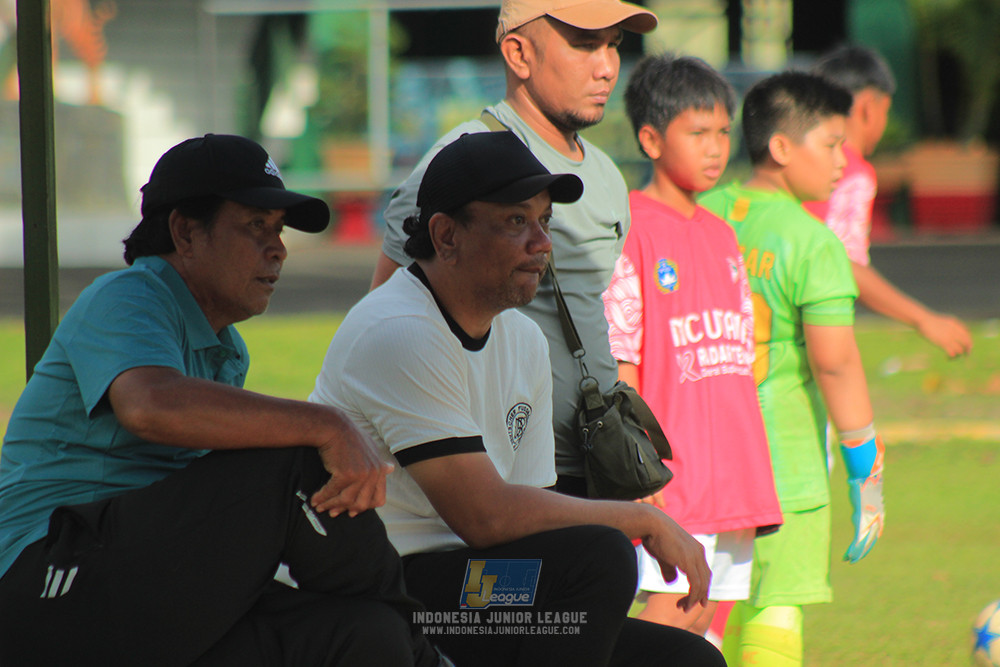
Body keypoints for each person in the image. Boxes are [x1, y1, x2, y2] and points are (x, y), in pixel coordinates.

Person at [0, 134, 446, 666]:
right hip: (45, 580)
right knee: (293, 465)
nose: (278, 247)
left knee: (363, 635)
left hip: (140, 583)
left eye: (278, 229)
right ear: (186, 232)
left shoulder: (225, 351)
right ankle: (430, 657)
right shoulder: (129, 295)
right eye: (256, 225)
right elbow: (149, 405)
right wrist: (328, 425)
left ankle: (409, 644)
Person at [311, 131, 725, 667]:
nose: (542, 242)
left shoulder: (523, 339)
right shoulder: (398, 329)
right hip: (397, 589)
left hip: (473, 583)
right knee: (597, 558)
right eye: (515, 222)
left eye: (544, 220)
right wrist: (644, 520)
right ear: (446, 235)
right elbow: (485, 516)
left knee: (688, 661)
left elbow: (525, 520)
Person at [370, 0, 658, 495]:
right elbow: (385, 323)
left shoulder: (609, 176)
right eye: (586, 44)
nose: (607, 66)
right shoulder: (461, 164)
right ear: (519, 54)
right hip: (499, 474)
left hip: (595, 464)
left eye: (614, 45)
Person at [700, 73, 887, 667]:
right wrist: (866, 470)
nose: (843, 160)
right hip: (783, 465)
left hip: (699, 456)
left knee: (699, 604)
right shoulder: (813, 243)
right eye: (831, 144)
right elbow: (835, 365)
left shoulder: (704, 212)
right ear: (782, 147)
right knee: (776, 605)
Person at [602, 53, 783, 641]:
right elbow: (621, 360)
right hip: (675, 477)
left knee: (708, 628)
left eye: (724, 132)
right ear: (651, 138)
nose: (715, 147)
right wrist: (641, 464)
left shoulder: (722, 233)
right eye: (697, 132)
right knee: (670, 623)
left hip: (735, 473)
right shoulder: (631, 227)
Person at [803, 45, 972, 358]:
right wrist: (924, 320)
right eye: (886, 110)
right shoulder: (852, 172)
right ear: (869, 106)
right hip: (808, 338)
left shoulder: (796, 166)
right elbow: (842, 263)